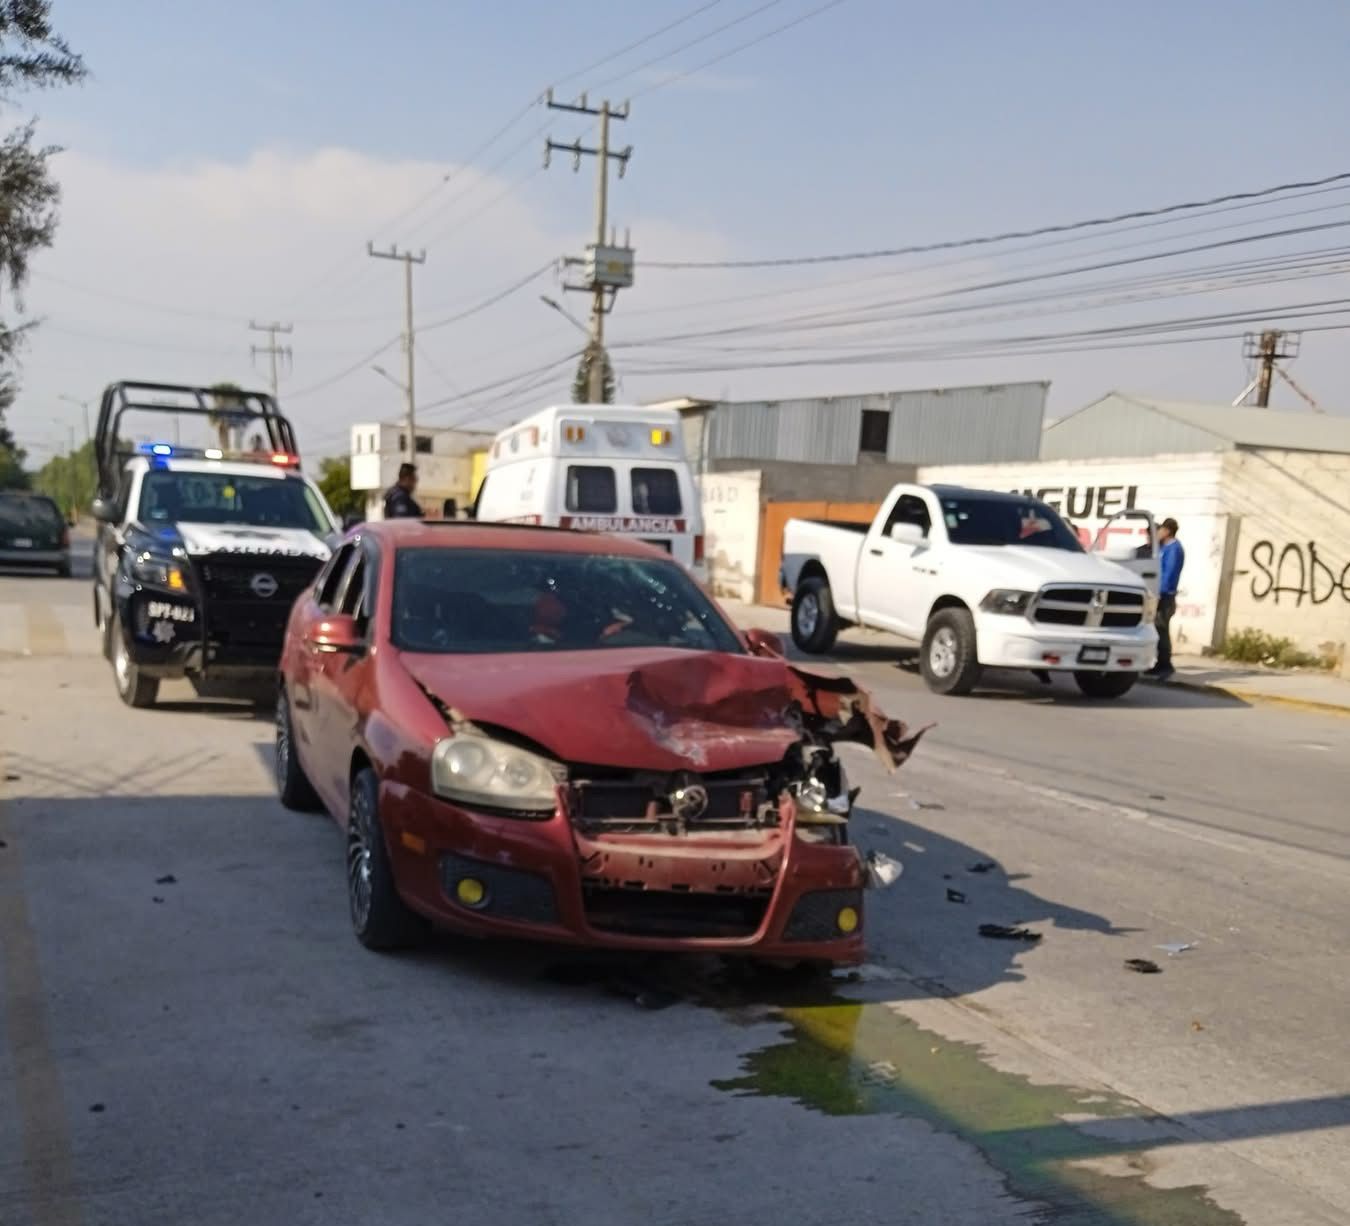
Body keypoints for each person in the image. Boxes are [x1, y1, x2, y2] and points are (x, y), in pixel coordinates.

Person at [1148, 517, 1184, 681]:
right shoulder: (1163, 548)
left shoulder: (1174, 549)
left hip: (1165, 596)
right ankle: (1158, 663)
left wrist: (1160, 593)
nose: (1158, 533)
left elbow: (1169, 574)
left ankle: (1166, 665)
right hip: (1157, 593)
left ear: (1168, 531)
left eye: (1161, 529)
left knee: (1162, 629)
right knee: (1156, 628)